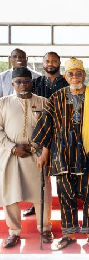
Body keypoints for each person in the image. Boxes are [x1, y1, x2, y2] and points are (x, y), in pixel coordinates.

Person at [34, 58, 89, 250]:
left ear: (84, 74)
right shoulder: (56, 97)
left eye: (79, 73)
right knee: (66, 196)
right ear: (65, 77)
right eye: (71, 74)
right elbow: (47, 128)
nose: (75, 77)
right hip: (63, 155)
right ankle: (68, 234)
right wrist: (44, 155)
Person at [0, 67, 52, 248]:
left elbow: (49, 130)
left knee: (41, 193)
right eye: (19, 81)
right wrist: (13, 148)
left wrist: (35, 147)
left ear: (32, 82)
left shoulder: (44, 102)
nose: (23, 84)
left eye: (26, 81)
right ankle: (13, 231)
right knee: (10, 195)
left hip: (36, 156)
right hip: (10, 156)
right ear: (13, 84)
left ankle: (44, 228)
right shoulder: (3, 103)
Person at [25, 51, 68, 217]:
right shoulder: (36, 83)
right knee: (39, 173)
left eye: (54, 61)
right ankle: (37, 205)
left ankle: (68, 204)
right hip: (40, 132)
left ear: (59, 62)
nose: (51, 63)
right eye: (47, 61)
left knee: (63, 170)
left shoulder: (66, 82)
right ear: (43, 63)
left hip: (62, 132)